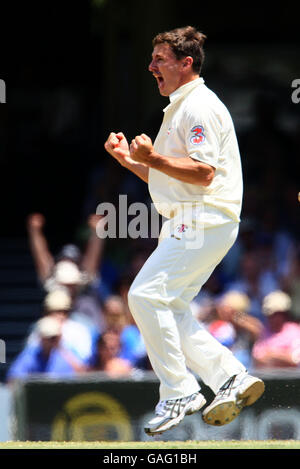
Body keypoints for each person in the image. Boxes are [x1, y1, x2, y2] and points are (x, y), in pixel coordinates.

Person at [104, 26, 264, 435]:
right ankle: (231, 376)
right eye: (153, 58)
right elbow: (173, 178)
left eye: (159, 59)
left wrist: (153, 156)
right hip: (195, 218)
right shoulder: (181, 106)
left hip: (204, 217)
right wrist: (131, 162)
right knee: (169, 310)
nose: (151, 66)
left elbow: (204, 173)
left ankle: (179, 391)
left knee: (143, 295)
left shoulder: (199, 106)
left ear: (185, 63)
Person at [6, 316, 86, 382]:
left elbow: (83, 376)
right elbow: (13, 379)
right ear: (41, 338)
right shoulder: (29, 355)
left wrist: (63, 351)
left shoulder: (68, 354)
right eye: (49, 338)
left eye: (55, 337)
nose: (52, 341)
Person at [252, 290, 300, 368]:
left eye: (277, 314)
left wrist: (273, 354)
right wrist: (282, 355)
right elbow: (258, 359)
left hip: (291, 379)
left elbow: (295, 360)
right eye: (271, 315)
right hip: (269, 378)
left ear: (284, 314)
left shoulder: (295, 331)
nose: (273, 318)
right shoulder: (264, 332)